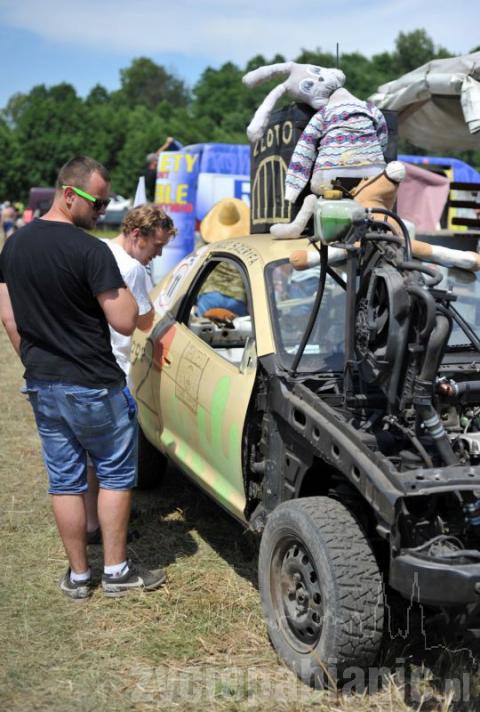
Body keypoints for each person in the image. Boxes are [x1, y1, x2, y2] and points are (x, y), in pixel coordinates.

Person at [0, 156, 166, 600]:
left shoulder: (13, 245)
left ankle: (77, 577)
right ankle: (115, 572)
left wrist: (34, 364)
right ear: (70, 194)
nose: (102, 211)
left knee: (65, 481)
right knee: (113, 475)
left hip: (44, 383)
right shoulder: (90, 250)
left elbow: (9, 316)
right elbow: (127, 321)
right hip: (93, 382)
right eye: (98, 202)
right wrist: (135, 282)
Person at [85, 204, 176, 541]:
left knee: (91, 456)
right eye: (157, 246)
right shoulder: (134, 269)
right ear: (138, 235)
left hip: (90, 362)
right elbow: (144, 321)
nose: (158, 254)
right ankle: (105, 526)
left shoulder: (101, 249)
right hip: (115, 367)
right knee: (113, 461)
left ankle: (94, 517)